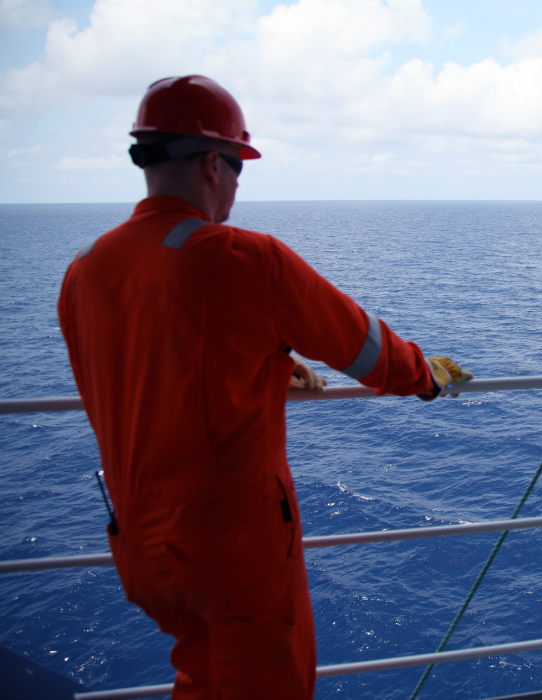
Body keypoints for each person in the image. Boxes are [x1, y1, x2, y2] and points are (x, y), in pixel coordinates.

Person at [57, 75, 471, 700]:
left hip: (140, 543)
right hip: (229, 550)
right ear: (209, 164)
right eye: (237, 170)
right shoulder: (240, 258)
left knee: (201, 675)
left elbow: (146, 374)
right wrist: (428, 377)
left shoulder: (86, 269)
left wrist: (267, 370)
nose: (236, 189)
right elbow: (366, 350)